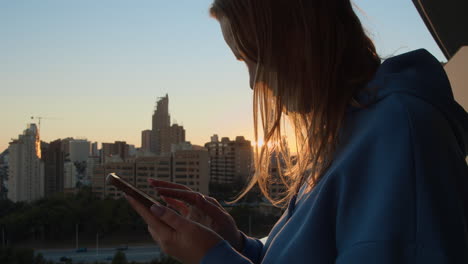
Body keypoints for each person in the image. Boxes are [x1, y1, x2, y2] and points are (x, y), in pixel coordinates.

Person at [125, 0, 468, 263]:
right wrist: (236, 243)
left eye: (252, 57)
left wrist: (212, 258)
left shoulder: (399, 134)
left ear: (300, 37)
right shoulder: (343, 132)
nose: (253, 81)